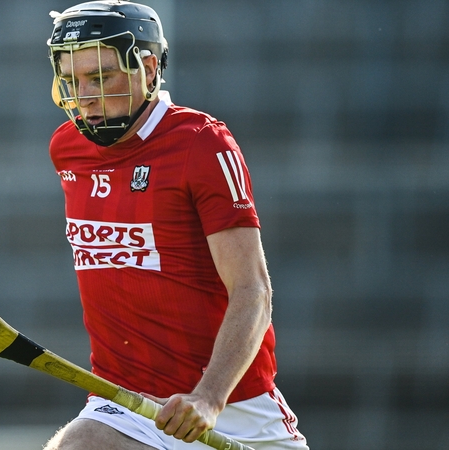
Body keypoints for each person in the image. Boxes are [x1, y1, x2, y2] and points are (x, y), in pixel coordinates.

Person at [42, 2, 308, 449]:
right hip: (124, 400)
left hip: (233, 407)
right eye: (73, 80)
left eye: (101, 78)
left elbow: (253, 290)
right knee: (81, 443)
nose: (84, 96)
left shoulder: (202, 145)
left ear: (147, 68)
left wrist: (208, 398)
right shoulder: (67, 149)